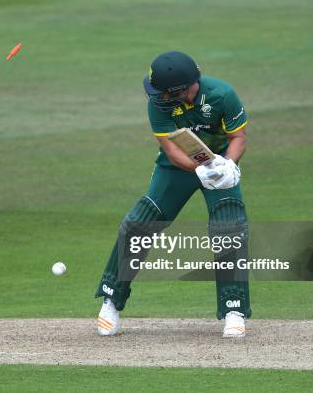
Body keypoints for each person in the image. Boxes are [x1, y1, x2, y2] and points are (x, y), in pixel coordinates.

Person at [95, 51, 251, 338]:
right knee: (140, 222)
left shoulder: (222, 94)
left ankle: (234, 309)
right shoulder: (158, 103)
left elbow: (238, 137)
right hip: (176, 166)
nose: (158, 96)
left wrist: (227, 166)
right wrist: (199, 170)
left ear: (182, 88)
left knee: (229, 227)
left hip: (220, 165)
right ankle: (111, 301)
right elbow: (170, 148)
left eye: (165, 92)